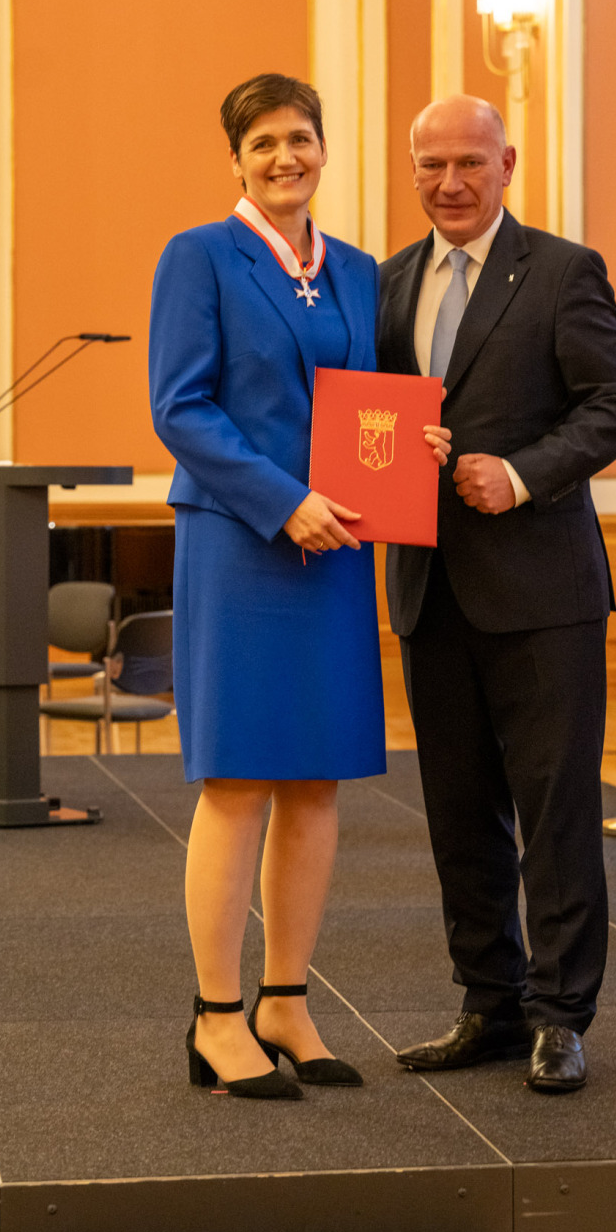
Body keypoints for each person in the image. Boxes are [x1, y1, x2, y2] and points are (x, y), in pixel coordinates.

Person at [150, 73, 449, 1100]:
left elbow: (376, 406)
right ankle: (217, 1015)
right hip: (243, 541)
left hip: (339, 548)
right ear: (234, 157)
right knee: (238, 779)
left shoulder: (361, 272)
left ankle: (286, 999)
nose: (287, 156)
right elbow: (180, 408)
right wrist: (282, 501)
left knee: (316, 781)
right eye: (266, 141)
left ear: (325, 150)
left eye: (303, 139)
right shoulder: (199, 257)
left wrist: (423, 443)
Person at [378, 95, 616, 1094]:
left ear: (508, 164)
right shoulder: (388, 282)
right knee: (457, 813)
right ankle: (485, 1004)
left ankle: (559, 1016)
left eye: (468, 163)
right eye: (429, 164)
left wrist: (521, 473)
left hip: (543, 595)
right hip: (427, 589)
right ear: (412, 170)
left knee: (556, 811)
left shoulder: (563, 271)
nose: (448, 182)